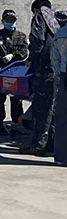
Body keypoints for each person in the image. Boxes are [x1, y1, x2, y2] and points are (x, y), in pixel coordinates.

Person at [20, 0, 60, 156]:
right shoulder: (58, 19)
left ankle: (38, 146)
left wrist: (31, 59)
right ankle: (52, 144)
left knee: (41, 109)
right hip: (59, 70)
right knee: (54, 108)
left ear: (36, 9)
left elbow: (37, 41)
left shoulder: (40, 17)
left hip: (45, 69)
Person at [0, 9, 28, 135]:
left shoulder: (21, 36)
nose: (10, 22)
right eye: (8, 20)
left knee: (16, 98)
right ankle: (0, 124)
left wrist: (13, 55)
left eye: (12, 20)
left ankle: (17, 123)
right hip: (2, 71)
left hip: (16, 72)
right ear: (3, 21)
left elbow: (24, 52)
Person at [51, 11, 67, 165]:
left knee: (62, 119)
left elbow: (55, 60)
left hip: (65, 76)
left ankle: (62, 157)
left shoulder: (60, 34)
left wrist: (60, 76)